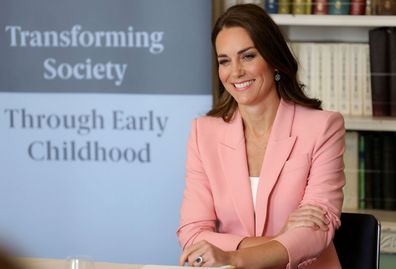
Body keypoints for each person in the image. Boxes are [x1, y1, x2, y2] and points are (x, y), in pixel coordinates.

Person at [176, 3, 345, 269]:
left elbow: (316, 232)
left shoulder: (322, 128)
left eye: (248, 56)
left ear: (274, 59)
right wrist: (279, 239)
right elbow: (193, 234)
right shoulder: (203, 133)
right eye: (224, 61)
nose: (235, 72)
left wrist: (233, 256)